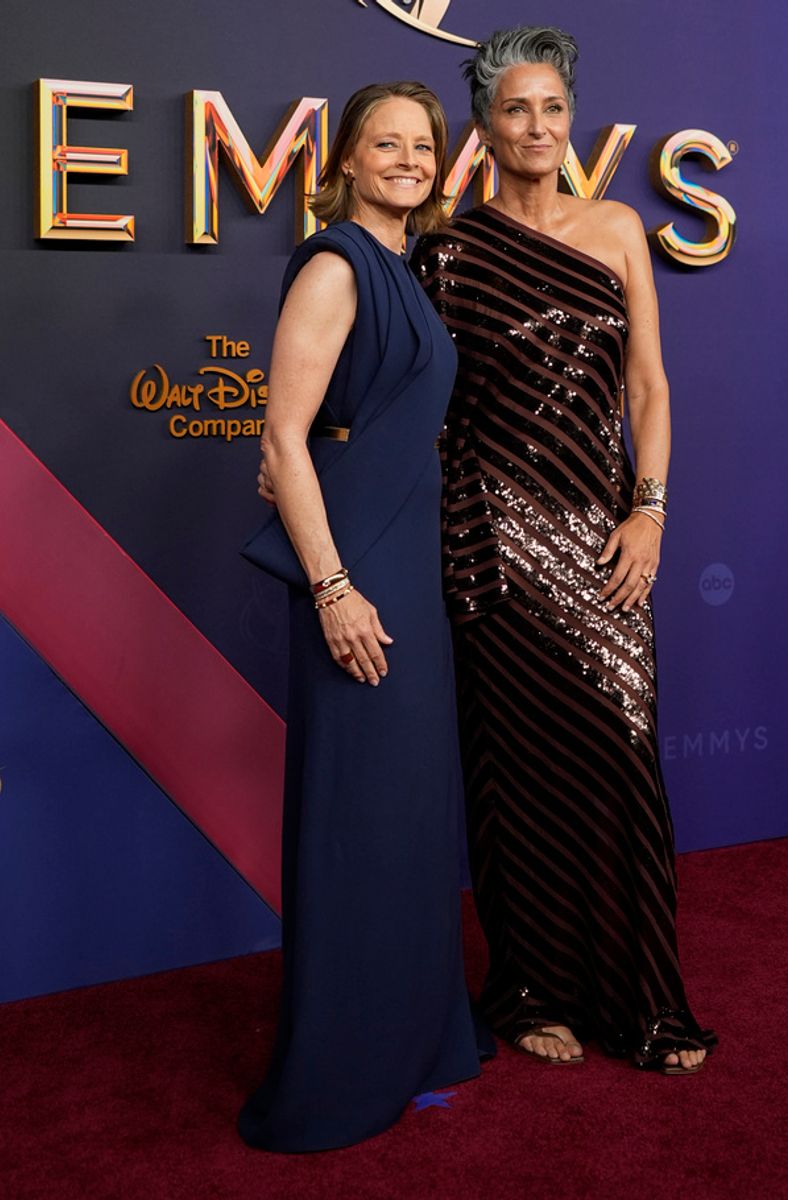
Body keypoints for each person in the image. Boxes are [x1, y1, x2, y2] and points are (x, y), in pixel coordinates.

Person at [409, 26, 716, 1073]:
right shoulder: (450, 249)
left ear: (568, 116)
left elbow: (650, 387)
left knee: (622, 758)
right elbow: (425, 412)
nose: (535, 128)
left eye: (550, 108)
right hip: (493, 546)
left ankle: (644, 1000)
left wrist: (652, 508)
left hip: (603, 540)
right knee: (517, 774)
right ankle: (532, 987)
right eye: (514, 111)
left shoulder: (621, 227)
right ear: (484, 127)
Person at [238, 80, 487, 1154]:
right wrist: (332, 586)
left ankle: (418, 1040)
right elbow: (284, 435)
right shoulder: (339, 263)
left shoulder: (409, 270)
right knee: (358, 815)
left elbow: (367, 427)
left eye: (422, 144)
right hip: (357, 570)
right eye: (385, 143)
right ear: (343, 158)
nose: (407, 158)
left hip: (409, 558)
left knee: (411, 814)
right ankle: (339, 1070)